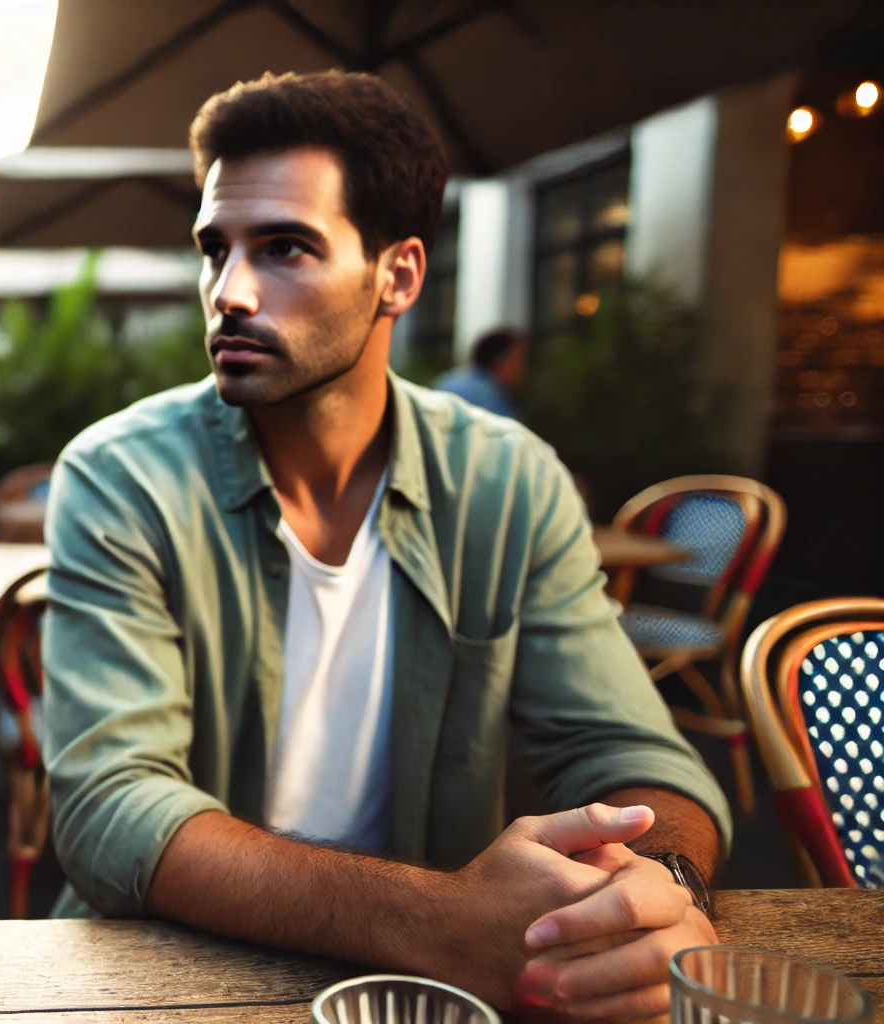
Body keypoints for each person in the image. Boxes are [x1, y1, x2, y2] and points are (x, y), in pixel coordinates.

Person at [41, 69, 728, 1022]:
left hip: (434, 994)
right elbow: (111, 807)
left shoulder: (508, 481)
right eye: (215, 249)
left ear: (397, 275)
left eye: (283, 248)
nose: (229, 292)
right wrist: (437, 917)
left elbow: (628, 749)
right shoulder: (122, 477)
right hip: (166, 979)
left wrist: (656, 888)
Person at [433, 328, 526, 419]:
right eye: (519, 361)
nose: (521, 370)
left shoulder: (448, 380)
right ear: (500, 361)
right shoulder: (488, 396)